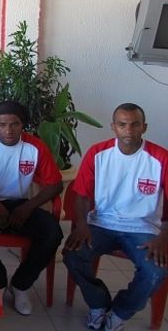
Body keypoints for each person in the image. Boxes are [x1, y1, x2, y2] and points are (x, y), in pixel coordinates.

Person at [63, 103, 168, 331]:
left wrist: (163, 237)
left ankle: (120, 312)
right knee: (72, 254)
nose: (128, 130)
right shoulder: (98, 153)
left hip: (143, 228)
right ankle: (98, 304)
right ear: (113, 127)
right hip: (102, 223)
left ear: (144, 127)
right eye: (122, 124)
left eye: (135, 124)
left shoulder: (161, 158)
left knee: (156, 270)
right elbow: (81, 195)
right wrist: (82, 226)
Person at [0, 100, 63, 315]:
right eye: (2, 124)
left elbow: (55, 184)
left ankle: (20, 285)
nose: (8, 130)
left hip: (20, 205)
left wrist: (28, 207)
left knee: (52, 232)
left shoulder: (35, 146)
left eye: (14, 124)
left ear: (23, 124)